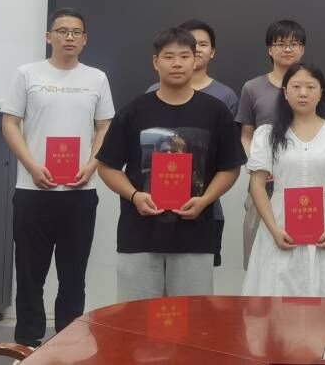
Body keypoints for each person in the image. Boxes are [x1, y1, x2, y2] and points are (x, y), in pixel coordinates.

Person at [96, 27, 246, 301]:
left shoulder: (216, 112)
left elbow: (230, 168)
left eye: (184, 56)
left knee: (193, 318)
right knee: (136, 319)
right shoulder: (133, 111)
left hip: (195, 236)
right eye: (169, 57)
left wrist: (205, 200)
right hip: (139, 235)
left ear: (195, 60)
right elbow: (107, 166)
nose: (177, 63)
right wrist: (135, 195)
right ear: (156, 62)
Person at [1, 7, 115, 347]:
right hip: (32, 189)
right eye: (62, 31)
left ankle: (67, 340)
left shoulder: (96, 78)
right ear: (48, 36)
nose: (69, 37)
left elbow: (105, 126)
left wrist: (92, 165)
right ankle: (27, 342)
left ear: (85, 40)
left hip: (80, 191)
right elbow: (10, 123)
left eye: (76, 32)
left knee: (73, 273)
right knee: (30, 273)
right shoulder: (27, 74)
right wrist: (31, 165)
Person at [242, 63, 325, 296]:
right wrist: (274, 229)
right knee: (277, 297)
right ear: (285, 93)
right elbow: (257, 184)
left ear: (321, 92)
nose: (303, 93)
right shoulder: (267, 134)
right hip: (279, 227)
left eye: (310, 87)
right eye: (296, 87)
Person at [147, 19, 237, 267]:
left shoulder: (224, 99)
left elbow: (228, 158)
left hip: (204, 205)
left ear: (211, 51)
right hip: (154, 206)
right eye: (172, 55)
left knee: (197, 279)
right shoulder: (151, 94)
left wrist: (206, 198)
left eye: (201, 45)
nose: (195, 51)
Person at [236, 19, 308, 269]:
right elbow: (246, 135)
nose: (287, 49)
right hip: (263, 184)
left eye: (294, 44)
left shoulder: (310, 87)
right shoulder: (252, 88)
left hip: (302, 183)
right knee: (258, 257)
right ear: (270, 49)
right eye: (280, 44)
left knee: (301, 256)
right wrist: (259, 166)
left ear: (302, 49)